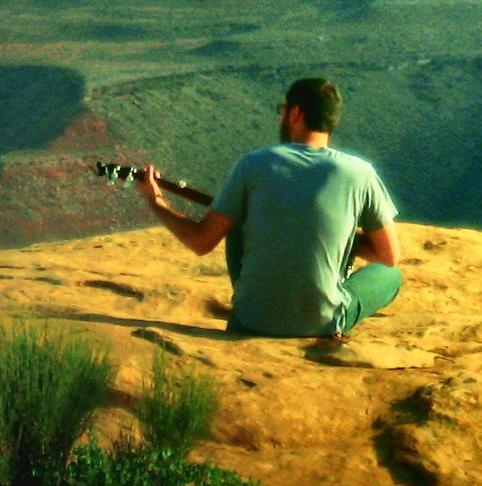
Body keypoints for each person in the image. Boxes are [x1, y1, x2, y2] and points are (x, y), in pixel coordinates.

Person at [140, 75, 402, 339]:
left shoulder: (252, 165)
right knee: (390, 276)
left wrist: (155, 200)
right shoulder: (360, 173)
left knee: (236, 221)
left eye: (283, 110)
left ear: (295, 113)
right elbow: (388, 256)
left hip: (252, 319)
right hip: (321, 323)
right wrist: (336, 236)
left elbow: (201, 241)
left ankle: (248, 307)